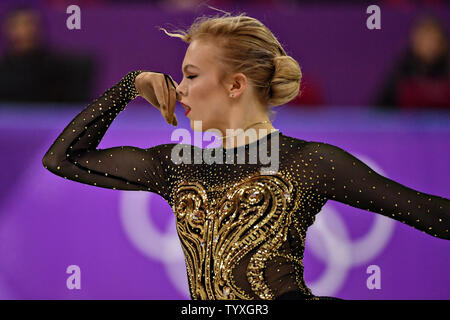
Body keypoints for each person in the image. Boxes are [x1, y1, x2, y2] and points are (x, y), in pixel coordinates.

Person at [42, 12, 449, 300]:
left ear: (235, 85)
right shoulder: (176, 165)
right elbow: (63, 159)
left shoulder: (307, 163)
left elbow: (431, 214)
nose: (178, 88)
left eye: (192, 74)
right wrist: (131, 84)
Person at [375, 14, 450, 109]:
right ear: (415, 41)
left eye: (434, 40)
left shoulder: (447, 70)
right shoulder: (403, 70)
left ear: (442, 43)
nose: (429, 45)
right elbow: (380, 106)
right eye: (425, 40)